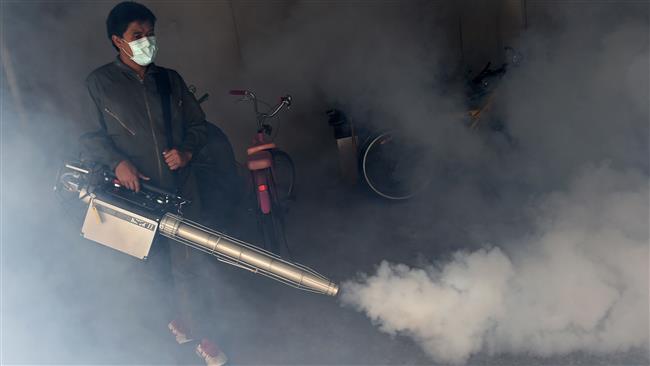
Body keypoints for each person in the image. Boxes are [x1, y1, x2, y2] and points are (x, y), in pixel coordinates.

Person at [79, 2, 227, 365]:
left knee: (191, 265)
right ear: (118, 40)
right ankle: (168, 336)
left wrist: (187, 153)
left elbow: (198, 126)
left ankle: (205, 340)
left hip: (180, 191)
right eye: (137, 36)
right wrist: (118, 163)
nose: (147, 42)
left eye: (150, 34)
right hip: (131, 194)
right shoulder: (99, 84)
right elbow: (87, 137)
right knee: (144, 269)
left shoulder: (169, 80)